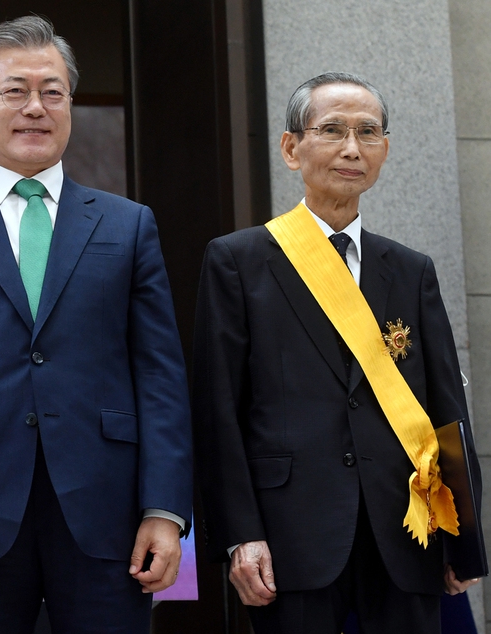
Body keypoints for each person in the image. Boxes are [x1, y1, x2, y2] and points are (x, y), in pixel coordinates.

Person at [0, 15, 192, 634]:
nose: (35, 108)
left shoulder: (128, 225)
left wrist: (164, 509)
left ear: (71, 105)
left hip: (109, 513)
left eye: (53, 91)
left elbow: (161, 377)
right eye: (13, 91)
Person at [193, 72, 481, 633]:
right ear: (291, 146)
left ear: (385, 150)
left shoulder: (410, 269)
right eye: (332, 130)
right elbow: (216, 413)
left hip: (408, 532)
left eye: (368, 132)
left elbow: (446, 408)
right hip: (289, 536)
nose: (352, 148)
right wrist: (238, 534)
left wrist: (464, 535)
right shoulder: (239, 261)